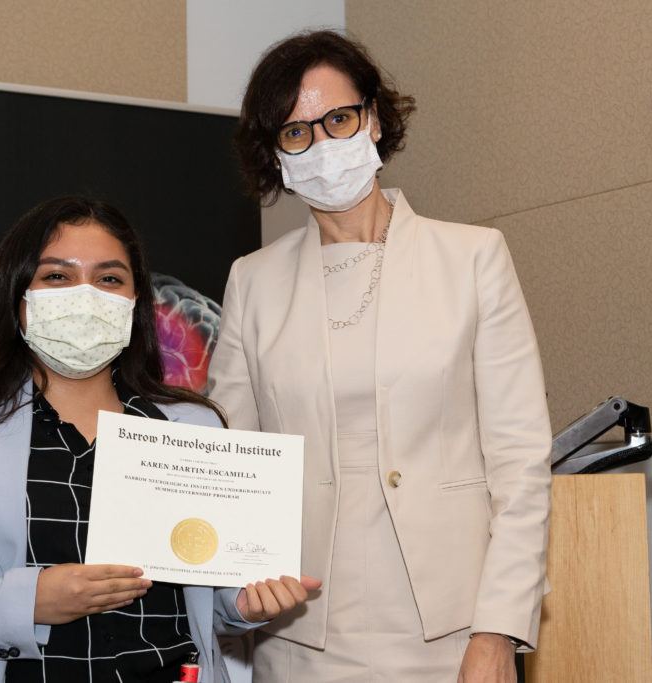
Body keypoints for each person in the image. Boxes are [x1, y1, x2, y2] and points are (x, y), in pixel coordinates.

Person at [0, 196, 319, 683]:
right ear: (17, 297)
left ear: (136, 302)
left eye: (109, 278)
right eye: (57, 276)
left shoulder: (191, 428)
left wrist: (242, 605)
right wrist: (31, 600)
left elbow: (198, 608)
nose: (86, 295)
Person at [207, 30, 552, 683]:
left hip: (452, 627)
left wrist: (499, 630)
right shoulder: (252, 281)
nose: (323, 144)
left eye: (338, 118)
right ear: (274, 155)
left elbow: (521, 463)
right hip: (300, 630)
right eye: (296, 132)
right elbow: (232, 462)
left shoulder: (473, 258)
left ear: (374, 117)